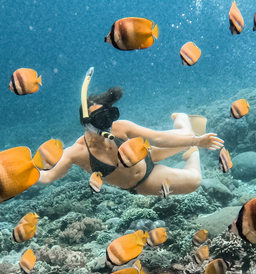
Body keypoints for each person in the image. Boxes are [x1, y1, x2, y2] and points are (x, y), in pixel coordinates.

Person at [37, 68, 224, 196]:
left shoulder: (121, 127)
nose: (109, 124)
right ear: (86, 122)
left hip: (147, 153)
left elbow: (157, 137)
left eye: (111, 116)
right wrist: (16, 176)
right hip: (145, 180)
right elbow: (47, 177)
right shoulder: (76, 152)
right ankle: (192, 153)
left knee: (185, 137)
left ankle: (182, 119)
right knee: (195, 181)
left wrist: (195, 140)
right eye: (102, 119)